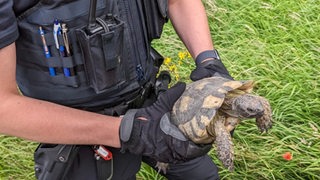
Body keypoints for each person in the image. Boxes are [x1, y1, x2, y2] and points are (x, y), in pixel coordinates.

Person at [0, 0, 233, 179]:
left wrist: (208, 61)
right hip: (79, 131)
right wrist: (129, 132)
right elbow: (4, 108)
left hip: (152, 103)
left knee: (202, 175)